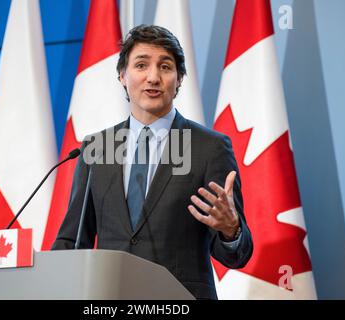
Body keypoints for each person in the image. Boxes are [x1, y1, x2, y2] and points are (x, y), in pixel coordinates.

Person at [52, 25, 253, 299]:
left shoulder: (210, 148)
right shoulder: (96, 149)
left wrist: (231, 229)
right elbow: (72, 240)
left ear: (179, 78)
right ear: (123, 76)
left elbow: (236, 257)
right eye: (141, 65)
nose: (153, 77)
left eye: (165, 67)